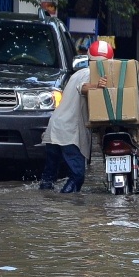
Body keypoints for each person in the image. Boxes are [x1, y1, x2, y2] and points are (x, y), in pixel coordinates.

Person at [39, 39, 112, 193]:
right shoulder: (91, 75)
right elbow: (83, 88)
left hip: (55, 127)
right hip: (69, 132)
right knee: (77, 176)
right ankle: (65, 205)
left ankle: (46, 203)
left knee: (49, 177)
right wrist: (97, 85)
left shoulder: (77, 73)